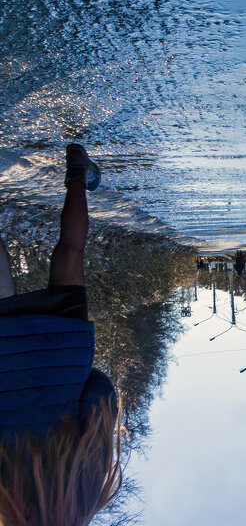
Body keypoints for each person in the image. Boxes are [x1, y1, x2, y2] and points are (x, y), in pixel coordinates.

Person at [0, 144, 122, 525]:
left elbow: (99, 389)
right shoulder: (5, 500)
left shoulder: (86, 491)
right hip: (4, 357)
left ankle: (77, 172)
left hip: (62, 348)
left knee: (70, 251)